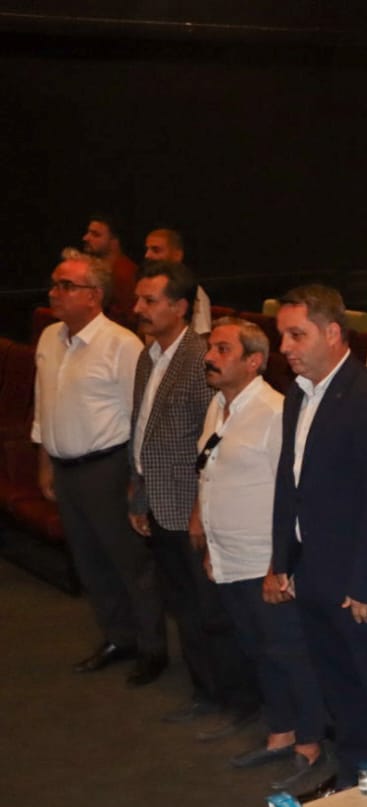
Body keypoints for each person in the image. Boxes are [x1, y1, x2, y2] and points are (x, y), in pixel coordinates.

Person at [270, 284, 367, 792]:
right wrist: (283, 561)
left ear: (333, 333)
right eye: (282, 336)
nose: (285, 347)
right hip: (312, 571)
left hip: (355, 581)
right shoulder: (297, 394)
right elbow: (289, 482)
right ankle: (355, 778)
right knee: (339, 687)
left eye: (296, 335)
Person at [193, 318, 329, 778]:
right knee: (256, 649)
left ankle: (310, 742)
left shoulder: (274, 411)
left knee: (288, 652)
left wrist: (279, 565)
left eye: (223, 350)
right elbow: (210, 472)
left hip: (264, 560)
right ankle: (280, 732)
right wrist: (209, 540)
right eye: (211, 348)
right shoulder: (218, 405)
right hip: (228, 555)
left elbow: (292, 495)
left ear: (254, 361)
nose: (210, 357)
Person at [130, 260, 256, 731]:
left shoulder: (199, 359)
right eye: (139, 299)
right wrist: (139, 491)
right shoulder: (148, 356)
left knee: (211, 612)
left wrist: (200, 512)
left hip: (192, 509)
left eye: (150, 301)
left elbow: (214, 443)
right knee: (184, 607)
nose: (138, 308)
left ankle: (235, 700)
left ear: (180, 307)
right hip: (159, 502)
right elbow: (142, 429)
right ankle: (206, 692)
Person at [34, 252, 166, 683]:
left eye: (66, 285)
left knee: (129, 562)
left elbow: (141, 416)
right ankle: (118, 637)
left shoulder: (121, 344)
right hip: (65, 467)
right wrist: (45, 460)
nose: (54, 293)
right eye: (54, 284)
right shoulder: (49, 337)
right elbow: (43, 404)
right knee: (89, 562)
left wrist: (137, 481)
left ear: (94, 296)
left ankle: (152, 648)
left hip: (107, 469)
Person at [143, 228, 213, 332]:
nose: (147, 255)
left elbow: (201, 336)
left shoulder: (194, 292)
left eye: (156, 250)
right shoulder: (142, 287)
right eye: (147, 250)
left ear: (177, 255)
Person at [81, 213, 138, 322]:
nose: (85, 238)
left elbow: (129, 318)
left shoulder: (123, 272)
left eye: (95, 234)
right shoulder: (99, 268)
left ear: (114, 241)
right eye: (88, 233)